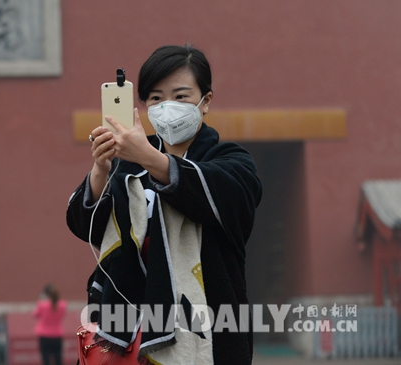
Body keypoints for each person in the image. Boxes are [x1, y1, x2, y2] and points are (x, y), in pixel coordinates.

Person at [67, 45, 262, 365]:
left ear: (206, 101)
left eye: (181, 96)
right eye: (156, 98)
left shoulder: (231, 162)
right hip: (127, 338)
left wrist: (148, 157)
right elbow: (85, 227)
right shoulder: (127, 168)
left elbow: (220, 194)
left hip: (209, 331)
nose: (167, 107)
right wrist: (101, 171)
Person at [33, 285, 65, 365]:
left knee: (46, 360)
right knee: (58, 359)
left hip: (44, 336)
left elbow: (35, 314)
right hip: (57, 335)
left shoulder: (42, 305)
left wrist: (41, 300)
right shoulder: (62, 305)